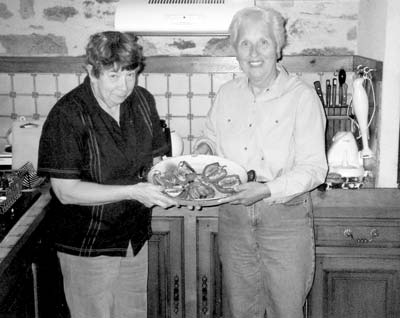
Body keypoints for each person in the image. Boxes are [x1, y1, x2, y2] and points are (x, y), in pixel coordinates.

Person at [193, 6, 328, 318]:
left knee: (286, 311)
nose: (254, 53)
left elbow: (314, 168)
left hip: (284, 219)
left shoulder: (302, 97)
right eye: (244, 43)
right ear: (235, 49)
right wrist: (203, 147)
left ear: (278, 47)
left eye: (263, 42)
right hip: (234, 218)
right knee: (241, 311)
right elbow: (210, 137)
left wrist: (266, 190)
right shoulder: (226, 94)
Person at [37, 31, 177, 318]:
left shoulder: (142, 101)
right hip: (88, 244)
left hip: (132, 237)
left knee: (133, 313)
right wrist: (132, 191)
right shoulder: (68, 114)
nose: (124, 86)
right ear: (91, 71)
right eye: (113, 77)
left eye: (130, 74)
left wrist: (172, 185)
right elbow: (66, 191)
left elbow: (155, 159)